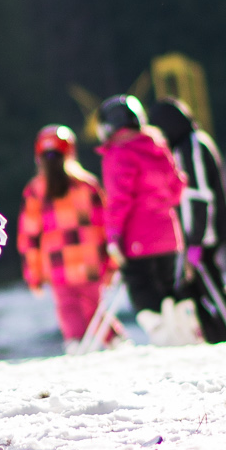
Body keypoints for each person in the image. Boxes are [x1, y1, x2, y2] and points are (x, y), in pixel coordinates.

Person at [149, 98, 226, 341]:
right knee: (195, 293)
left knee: (213, 291)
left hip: (205, 234)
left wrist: (195, 240)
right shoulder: (187, 144)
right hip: (198, 234)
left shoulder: (192, 145)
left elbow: (199, 194)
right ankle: (218, 338)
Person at [17, 124, 117, 346]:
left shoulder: (35, 190)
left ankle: (75, 346)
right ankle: (113, 343)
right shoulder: (87, 185)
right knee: (95, 308)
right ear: (70, 152)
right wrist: (111, 263)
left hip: (57, 264)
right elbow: (105, 226)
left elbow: (30, 237)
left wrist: (33, 274)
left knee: (68, 309)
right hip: (91, 262)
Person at [95, 94, 188, 329]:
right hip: (169, 236)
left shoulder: (118, 153)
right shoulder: (158, 146)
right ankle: (185, 336)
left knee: (145, 297)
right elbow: (177, 187)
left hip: (138, 239)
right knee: (171, 292)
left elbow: (118, 200)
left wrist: (113, 237)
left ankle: (165, 341)